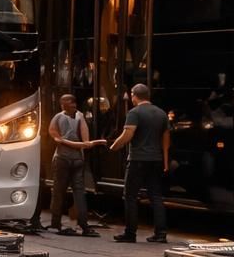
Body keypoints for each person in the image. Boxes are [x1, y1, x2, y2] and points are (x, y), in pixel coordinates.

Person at [110, 83, 170, 244]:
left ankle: (130, 233)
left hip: (137, 160)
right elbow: (166, 139)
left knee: (130, 196)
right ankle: (161, 234)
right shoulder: (161, 113)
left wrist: (114, 146)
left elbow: (127, 134)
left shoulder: (134, 113)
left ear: (134, 95)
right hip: (156, 160)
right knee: (156, 196)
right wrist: (165, 160)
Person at [48, 93, 105, 236]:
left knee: (58, 192)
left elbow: (56, 138)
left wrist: (66, 141)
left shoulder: (57, 118)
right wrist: (86, 144)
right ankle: (84, 225)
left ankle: (56, 223)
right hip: (78, 159)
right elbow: (86, 142)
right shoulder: (81, 117)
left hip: (62, 158)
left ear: (62, 105)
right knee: (79, 191)